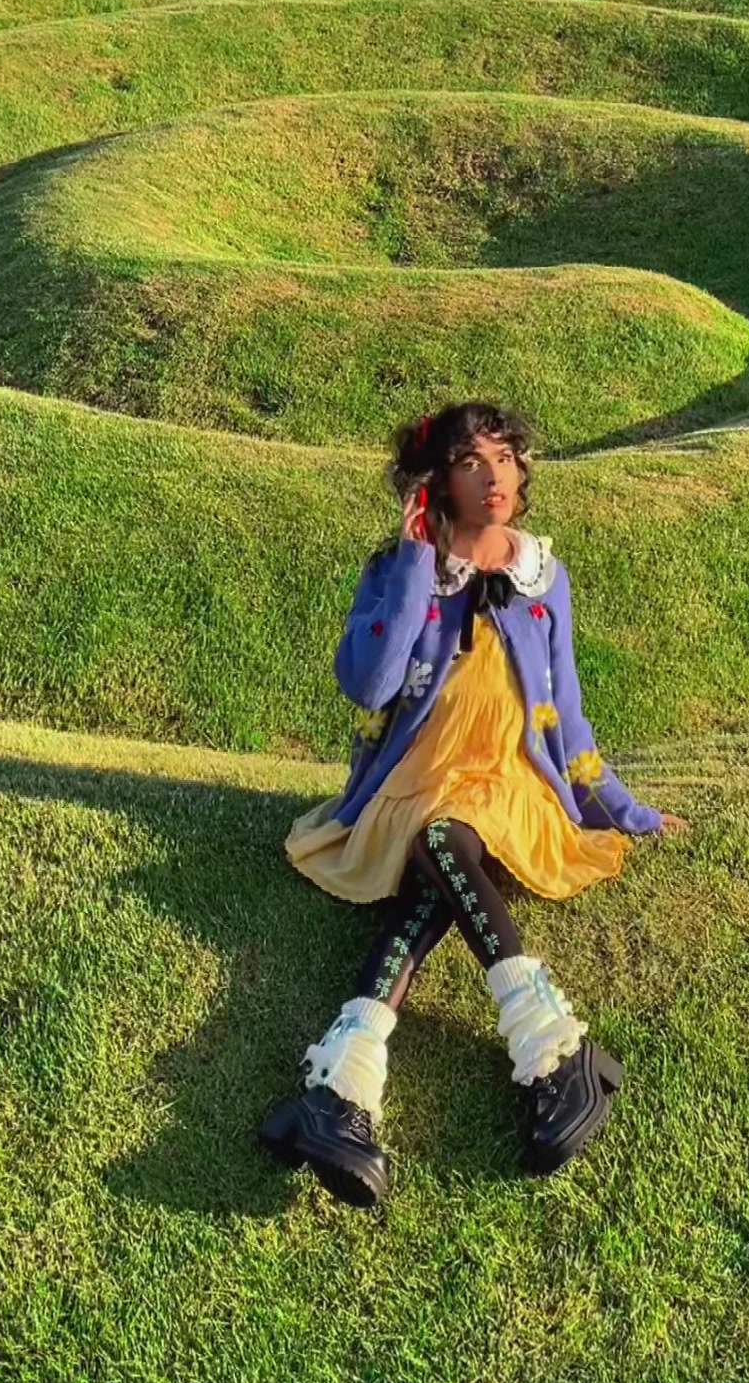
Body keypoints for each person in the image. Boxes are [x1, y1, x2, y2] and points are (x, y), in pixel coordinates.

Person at [258, 401, 688, 1206]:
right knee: (439, 853)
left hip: (511, 782)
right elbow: (371, 686)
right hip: (418, 775)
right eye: (469, 463)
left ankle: (350, 1084)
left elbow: (567, 715)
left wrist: (622, 809)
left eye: (505, 457)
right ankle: (541, 1054)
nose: (494, 476)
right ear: (436, 483)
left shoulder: (543, 576)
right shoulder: (398, 569)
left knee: (444, 844)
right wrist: (417, 563)